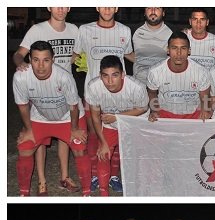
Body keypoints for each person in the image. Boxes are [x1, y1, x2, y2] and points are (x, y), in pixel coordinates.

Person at [13, 7, 80, 196]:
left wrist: (81, 61)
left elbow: (75, 55)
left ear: (69, 7)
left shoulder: (74, 29)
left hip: (63, 87)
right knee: (40, 138)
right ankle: (42, 181)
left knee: (64, 134)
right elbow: (18, 54)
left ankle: (64, 177)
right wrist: (20, 63)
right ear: (49, 7)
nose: (60, 9)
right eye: (55, 5)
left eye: (64, 5)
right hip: (40, 88)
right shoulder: (37, 30)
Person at [73, 7, 135, 194]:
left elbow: (130, 56)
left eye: (111, 5)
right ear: (97, 7)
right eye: (103, 4)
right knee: (94, 134)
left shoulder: (125, 30)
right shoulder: (84, 30)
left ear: (116, 8)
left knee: (116, 135)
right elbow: (74, 57)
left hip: (119, 95)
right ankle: (95, 174)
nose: (107, 8)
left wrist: (154, 57)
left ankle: (113, 175)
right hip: (93, 93)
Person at [86, 55, 148, 196]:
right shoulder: (93, 87)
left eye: (114, 75)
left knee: (137, 158)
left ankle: (139, 191)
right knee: (103, 154)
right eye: (105, 76)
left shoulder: (137, 87)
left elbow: (143, 108)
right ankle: (104, 194)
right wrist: (102, 142)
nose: (110, 81)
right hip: (110, 124)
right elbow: (95, 117)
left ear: (123, 75)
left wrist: (117, 116)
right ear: (100, 76)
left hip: (135, 123)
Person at [147, 31, 211, 121]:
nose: (179, 53)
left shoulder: (202, 72)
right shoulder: (155, 72)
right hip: (165, 115)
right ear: (168, 50)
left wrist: (206, 111)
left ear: (189, 51)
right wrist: (154, 111)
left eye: (183, 48)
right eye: (174, 48)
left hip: (193, 116)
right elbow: (152, 93)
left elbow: (205, 97)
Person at [132, 7, 172, 84]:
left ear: (163, 13)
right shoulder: (133, 30)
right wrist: (140, 60)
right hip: (139, 82)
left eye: (157, 8)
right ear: (144, 12)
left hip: (164, 81)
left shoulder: (173, 31)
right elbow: (126, 52)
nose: (153, 11)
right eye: (149, 8)